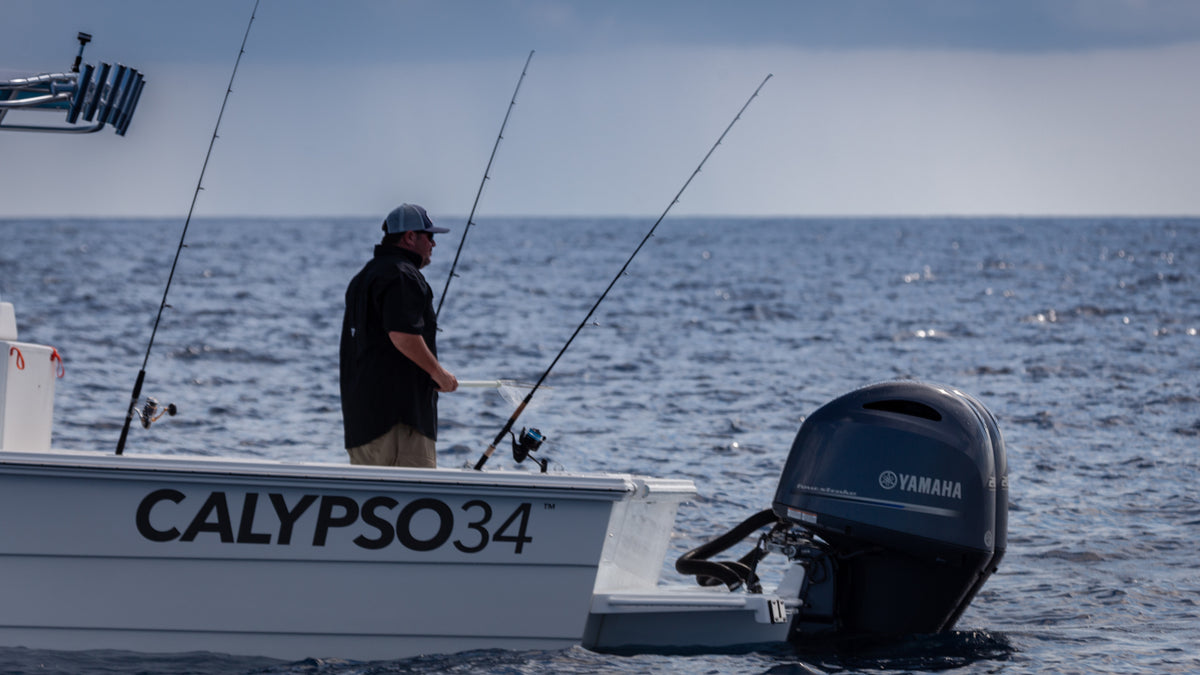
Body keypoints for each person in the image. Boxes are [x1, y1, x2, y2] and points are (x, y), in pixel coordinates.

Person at [339, 203, 458, 468]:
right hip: (400, 424)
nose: (434, 244)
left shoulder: (363, 277)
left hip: (362, 426)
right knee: (414, 503)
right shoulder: (402, 275)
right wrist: (439, 373)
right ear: (409, 236)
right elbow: (403, 335)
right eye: (430, 236)